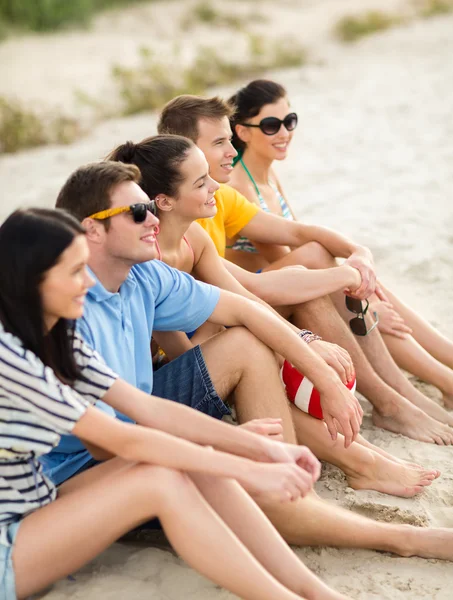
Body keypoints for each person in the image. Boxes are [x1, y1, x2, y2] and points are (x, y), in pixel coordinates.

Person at [48, 160, 453, 560]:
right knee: (224, 470)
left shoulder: (143, 275)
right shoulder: (64, 311)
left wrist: (325, 379)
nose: (152, 220)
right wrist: (231, 445)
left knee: (245, 341)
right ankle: (399, 537)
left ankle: (297, 492)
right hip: (82, 469)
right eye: (138, 213)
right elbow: (107, 443)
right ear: (91, 229)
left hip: (138, 416)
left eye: (151, 209)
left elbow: (245, 309)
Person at [0, 207, 354, 600]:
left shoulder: (57, 336)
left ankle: (314, 591)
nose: (88, 281)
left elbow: (149, 410)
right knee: (164, 477)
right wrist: (248, 470)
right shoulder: (11, 360)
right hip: (10, 543)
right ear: (31, 282)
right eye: (73, 272)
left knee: (188, 458)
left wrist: (260, 447)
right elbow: (122, 440)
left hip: (37, 506)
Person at [107, 132, 439, 499]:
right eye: (202, 182)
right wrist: (285, 355)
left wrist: (305, 344)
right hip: (156, 380)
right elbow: (187, 359)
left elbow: (245, 298)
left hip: (204, 347)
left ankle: (366, 439)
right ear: (164, 201)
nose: (216, 185)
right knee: (254, 354)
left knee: (277, 326)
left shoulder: (194, 241)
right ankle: (360, 460)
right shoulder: (145, 259)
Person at [157, 93, 453, 443]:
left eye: (289, 121)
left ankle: (402, 396)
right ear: (184, 150)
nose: (231, 151)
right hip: (200, 341)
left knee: (321, 272)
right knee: (316, 274)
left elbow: (297, 233)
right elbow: (251, 289)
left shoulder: (216, 197)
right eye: (221, 141)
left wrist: (360, 254)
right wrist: (346, 279)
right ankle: (398, 399)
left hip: (230, 312)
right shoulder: (173, 219)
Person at [227, 78, 453, 413]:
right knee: (357, 297)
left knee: (366, 288)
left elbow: (299, 248)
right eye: (272, 125)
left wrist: (361, 284)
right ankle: (444, 381)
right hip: (261, 297)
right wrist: (363, 304)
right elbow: (295, 262)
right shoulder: (238, 183)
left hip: (290, 280)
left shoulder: (267, 173)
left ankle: (448, 367)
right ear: (243, 131)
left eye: (289, 122)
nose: (285, 133)